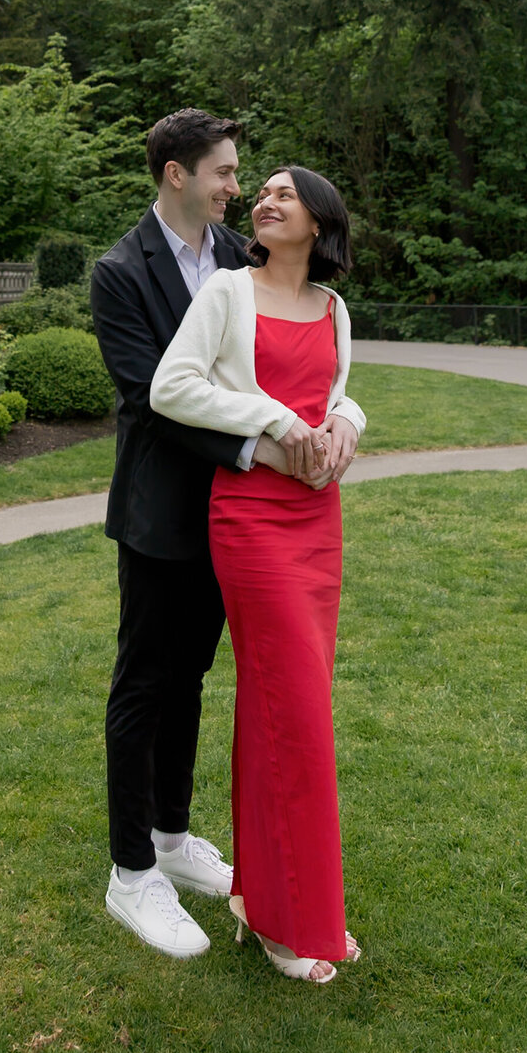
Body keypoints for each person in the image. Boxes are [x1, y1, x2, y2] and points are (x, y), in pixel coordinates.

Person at [91, 112, 361, 959]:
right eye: (225, 173)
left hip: (242, 515)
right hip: (164, 512)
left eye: (246, 175)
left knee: (194, 678)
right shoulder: (120, 271)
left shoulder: (244, 260)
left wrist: (340, 421)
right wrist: (266, 447)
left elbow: (306, 365)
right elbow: (153, 398)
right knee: (145, 682)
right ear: (178, 173)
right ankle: (133, 870)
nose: (239, 189)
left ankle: (173, 834)